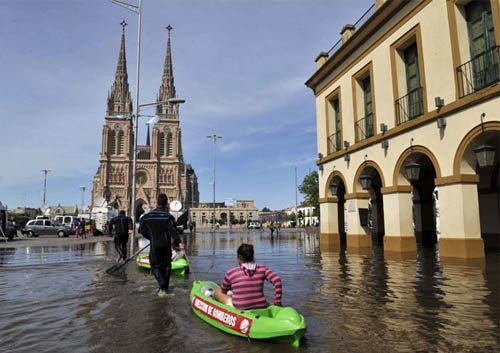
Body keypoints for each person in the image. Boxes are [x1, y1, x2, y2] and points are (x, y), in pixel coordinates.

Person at [138, 194, 185, 297]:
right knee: (167, 266)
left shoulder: (147, 217)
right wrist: (179, 242)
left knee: (155, 265)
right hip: (165, 244)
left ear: (157, 201)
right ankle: (164, 287)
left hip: (154, 245)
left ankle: (161, 285)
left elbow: (141, 230)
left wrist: (151, 236)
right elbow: (173, 232)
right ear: (166, 203)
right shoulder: (168, 217)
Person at [214, 243, 282, 310]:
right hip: (260, 305)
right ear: (252, 256)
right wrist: (277, 302)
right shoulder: (262, 269)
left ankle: (215, 305)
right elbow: (277, 280)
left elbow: (223, 291)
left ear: (239, 258)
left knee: (218, 292)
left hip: (240, 307)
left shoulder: (231, 272)